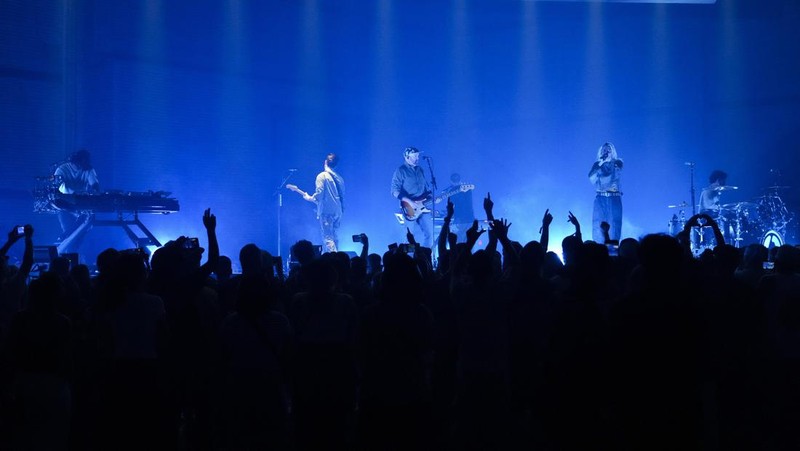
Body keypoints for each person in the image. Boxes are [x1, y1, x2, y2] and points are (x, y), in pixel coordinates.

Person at [297, 153, 345, 253]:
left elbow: (319, 195)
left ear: (325, 162)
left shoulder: (322, 176)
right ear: (336, 165)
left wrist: (309, 198)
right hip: (338, 212)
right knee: (335, 237)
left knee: (328, 237)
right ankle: (339, 260)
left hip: (327, 212)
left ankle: (333, 261)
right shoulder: (340, 179)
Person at [53, 149, 101, 241]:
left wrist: (95, 192)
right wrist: (71, 194)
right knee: (69, 232)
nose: (81, 166)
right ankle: (65, 244)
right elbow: (55, 188)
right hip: (65, 204)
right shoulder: (61, 169)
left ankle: (67, 246)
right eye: (79, 163)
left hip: (81, 204)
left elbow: (95, 186)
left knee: (81, 232)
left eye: (84, 163)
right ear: (73, 161)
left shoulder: (88, 169)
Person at [391, 147, 433, 248]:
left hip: (423, 207)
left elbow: (426, 189)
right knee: (409, 237)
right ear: (407, 157)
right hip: (409, 207)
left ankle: (424, 257)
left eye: (418, 156)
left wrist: (431, 197)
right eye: (415, 156)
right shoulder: (401, 170)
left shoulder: (420, 170)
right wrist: (409, 201)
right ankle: (409, 260)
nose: (417, 158)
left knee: (430, 235)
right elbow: (394, 191)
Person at [588, 142, 623, 244]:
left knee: (614, 228)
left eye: (609, 150)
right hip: (600, 198)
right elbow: (591, 178)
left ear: (612, 152)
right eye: (604, 150)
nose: (606, 152)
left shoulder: (617, 163)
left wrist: (603, 165)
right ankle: (599, 253)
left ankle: (613, 255)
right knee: (599, 226)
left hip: (613, 198)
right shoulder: (597, 164)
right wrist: (600, 163)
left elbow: (612, 177)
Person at [445, 173, 475, 242]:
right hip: (470, 218)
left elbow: (450, 205)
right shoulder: (467, 188)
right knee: (470, 242)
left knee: (460, 243)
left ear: (451, 181)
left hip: (460, 219)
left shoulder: (452, 191)